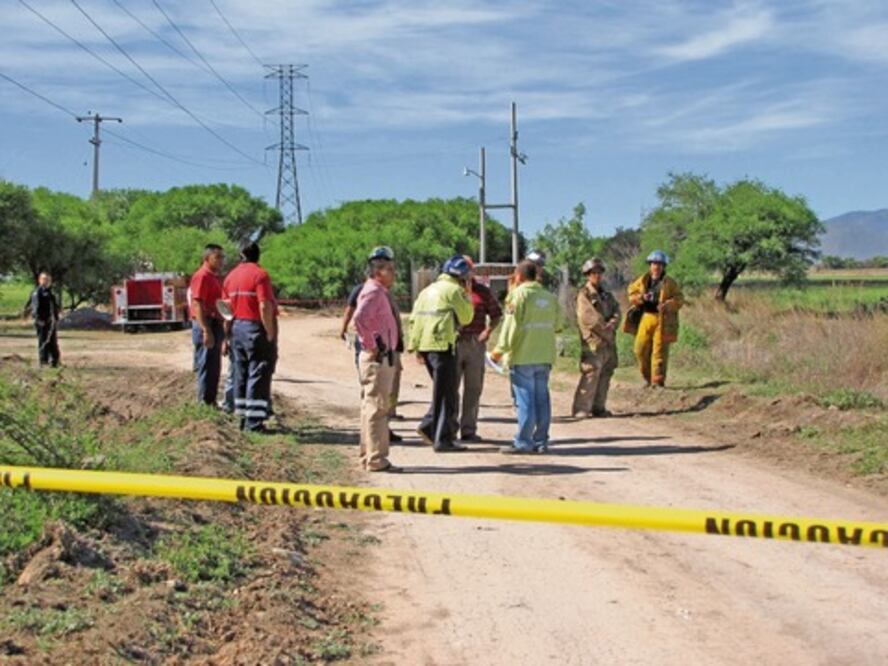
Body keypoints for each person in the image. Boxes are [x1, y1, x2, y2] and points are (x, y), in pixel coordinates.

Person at [407, 256, 474, 452]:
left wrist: (416, 347)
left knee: (443, 391)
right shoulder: (455, 291)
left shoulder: (426, 291)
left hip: (426, 346)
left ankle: (430, 428)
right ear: (462, 276)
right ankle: (442, 439)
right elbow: (467, 317)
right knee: (447, 394)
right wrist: (467, 295)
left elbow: (414, 320)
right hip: (443, 345)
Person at [491, 260, 558, 454]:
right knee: (542, 399)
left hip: (523, 355)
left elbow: (510, 327)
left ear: (518, 276)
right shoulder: (549, 297)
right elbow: (559, 323)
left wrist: (498, 351)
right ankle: (541, 441)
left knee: (525, 400)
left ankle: (523, 442)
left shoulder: (518, 295)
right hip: (544, 355)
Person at [353, 251, 402, 472]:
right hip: (378, 357)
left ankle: (369, 455)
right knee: (377, 408)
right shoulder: (373, 291)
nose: (393, 273)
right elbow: (360, 318)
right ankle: (376, 459)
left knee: (371, 407)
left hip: (382, 356)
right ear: (378, 272)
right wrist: (372, 344)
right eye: (389, 269)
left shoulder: (378, 291)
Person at [223, 241, 277, 432]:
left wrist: (226, 335)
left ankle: (242, 417)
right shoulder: (260, 275)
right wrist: (269, 331)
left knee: (241, 373)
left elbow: (226, 310)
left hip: (236, 328)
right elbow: (264, 305)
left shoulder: (230, 277)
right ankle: (254, 423)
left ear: (240, 256)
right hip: (255, 328)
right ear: (258, 255)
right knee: (258, 372)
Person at [452, 256, 502, 442]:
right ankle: (449, 429)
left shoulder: (482, 291)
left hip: (475, 343)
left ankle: (468, 429)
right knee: (452, 388)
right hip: (454, 342)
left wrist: (488, 331)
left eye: (468, 268)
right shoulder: (451, 291)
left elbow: (496, 314)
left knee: (473, 388)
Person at [626, 250, 684, 388]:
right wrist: (641, 297)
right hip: (646, 317)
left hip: (663, 319)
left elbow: (679, 299)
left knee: (659, 352)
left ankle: (657, 382)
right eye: (654, 264)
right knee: (639, 349)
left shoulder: (670, 283)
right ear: (650, 265)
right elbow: (631, 294)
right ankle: (647, 378)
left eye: (659, 264)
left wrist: (667, 304)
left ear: (664, 266)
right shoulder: (642, 280)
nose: (656, 267)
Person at [572, 258, 621, 417]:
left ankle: (599, 407)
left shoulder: (606, 294)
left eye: (599, 272)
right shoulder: (584, 294)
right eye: (594, 273)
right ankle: (581, 409)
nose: (597, 275)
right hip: (593, 341)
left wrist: (613, 323)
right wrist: (606, 331)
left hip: (607, 342)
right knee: (591, 373)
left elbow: (617, 311)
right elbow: (589, 318)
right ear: (587, 275)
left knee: (606, 373)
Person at [189, 244, 226, 405]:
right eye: (217, 257)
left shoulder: (215, 277)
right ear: (207, 258)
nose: (221, 261)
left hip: (215, 322)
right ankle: (203, 403)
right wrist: (205, 330)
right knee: (205, 363)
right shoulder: (202, 276)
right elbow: (197, 303)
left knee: (214, 365)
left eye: (222, 257)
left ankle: (211, 401)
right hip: (206, 322)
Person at [29, 272, 61, 367]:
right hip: (42, 321)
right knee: (43, 341)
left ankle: (54, 361)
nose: (46, 282)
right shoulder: (37, 293)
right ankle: (43, 361)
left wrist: (56, 318)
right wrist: (38, 319)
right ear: (40, 280)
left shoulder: (50, 293)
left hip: (51, 322)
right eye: (44, 279)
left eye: (48, 280)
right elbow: (35, 307)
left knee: (53, 341)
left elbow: (54, 307)